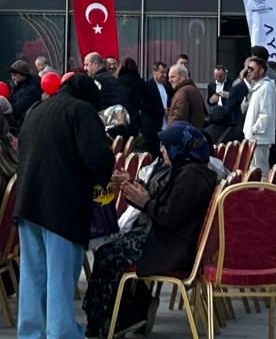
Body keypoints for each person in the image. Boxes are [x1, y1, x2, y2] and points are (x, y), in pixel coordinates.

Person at [83, 122, 219, 337]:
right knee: (110, 250)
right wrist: (135, 190)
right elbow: (165, 204)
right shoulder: (187, 170)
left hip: (171, 248)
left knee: (108, 256)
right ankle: (130, 311)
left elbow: (169, 216)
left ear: (180, 147)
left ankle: (105, 322)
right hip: (169, 240)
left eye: (167, 146)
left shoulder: (191, 177)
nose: (162, 150)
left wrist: (145, 202)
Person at [16, 70, 114, 339]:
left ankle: (30, 333)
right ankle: (61, 333)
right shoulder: (81, 110)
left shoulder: (36, 109)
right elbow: (97, 159)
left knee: (33, 276)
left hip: (28, 202)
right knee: (60, 276)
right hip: (63, 204)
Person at [241, 55, 276, 173]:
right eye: (248, 68)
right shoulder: (258, 86)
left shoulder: (266, 87)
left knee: (261, 170)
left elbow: (265, 113)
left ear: (261, 70)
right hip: (254, 137)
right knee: (254, 170)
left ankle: (263, 191)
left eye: (252, 69)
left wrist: (254, 130)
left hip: (259, 138)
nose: (248, 71)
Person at [164, 63, 206, 129]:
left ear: (183, 77)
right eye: (169, 78)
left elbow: (178, 117)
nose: (170, 81)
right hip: (193, 133)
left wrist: (170, 131)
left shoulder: (182, 92)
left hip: (184, 135)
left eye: (172, 77)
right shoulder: (191, 88)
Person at [6, 61, 42, 130]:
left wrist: (5, 103)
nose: (12, 78)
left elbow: (18, 110)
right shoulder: (19, 86)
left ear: (23, 74)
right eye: (12, 75)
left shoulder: (32, 90)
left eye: (14, 75)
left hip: (23, 126)